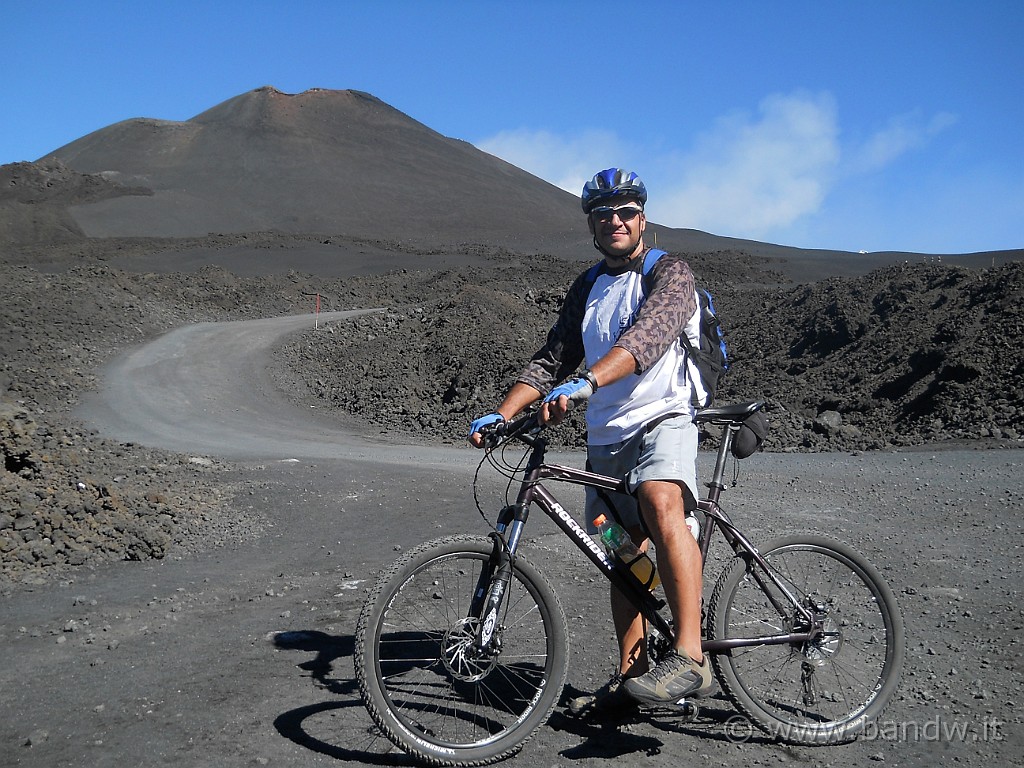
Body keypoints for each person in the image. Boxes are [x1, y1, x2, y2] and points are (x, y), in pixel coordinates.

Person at [468, 168, 713, 716]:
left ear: (642, 217)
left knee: (659, 500)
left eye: (625, 211)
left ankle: (691, 656)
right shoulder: (588, 285)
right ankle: (633, 680)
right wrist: (503, 414)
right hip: (606, 435)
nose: (615, 221)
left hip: (663, 418)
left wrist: (587, 382)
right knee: (618, 553)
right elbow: (552, 356)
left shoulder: (670, 271)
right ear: (592, 226)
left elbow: (647, 337)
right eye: (603, 214)